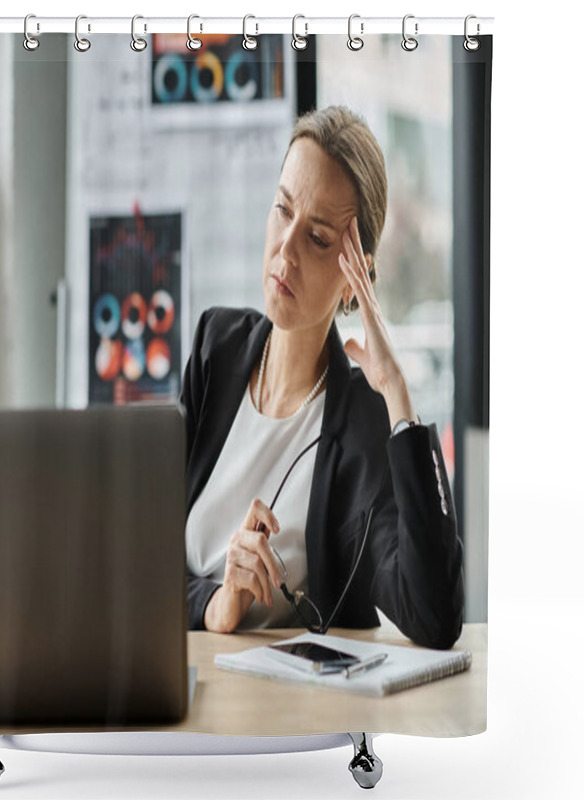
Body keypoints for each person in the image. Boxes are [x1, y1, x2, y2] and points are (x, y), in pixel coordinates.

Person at [181, 106, 463, 650]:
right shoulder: (215, 347)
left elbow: (435, 616)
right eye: (282, 210)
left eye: (316, 238)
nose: (284, 250)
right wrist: (215, 604)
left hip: (285, 718)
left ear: (355, 281)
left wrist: (397, 395)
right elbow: (134, 558)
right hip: (181, 690)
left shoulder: (361, 423)